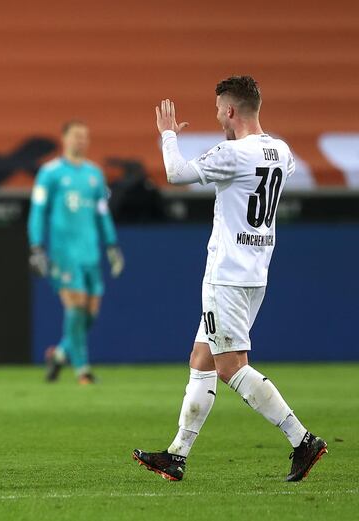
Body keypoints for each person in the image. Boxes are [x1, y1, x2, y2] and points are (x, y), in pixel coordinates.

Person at [132, 76, 327, 482]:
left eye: (219, 109)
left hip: (227, 275)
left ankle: (302, 439)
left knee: (229, 367)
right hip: (256, 271)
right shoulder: (281, 151)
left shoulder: (232, 153)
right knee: (201, 360)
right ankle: (177, 454)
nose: (217, 115)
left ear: (232, 110)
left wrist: (168, 135)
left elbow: (175, 173)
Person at [27, 120, 124, 384]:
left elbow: (102, 214)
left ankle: (59, 354)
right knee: (76, 307)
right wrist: (36, 246)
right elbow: (37, 211)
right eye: (76, 136)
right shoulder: (50, 173)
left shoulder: (94, 174)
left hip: (90, 252)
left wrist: (112, 245)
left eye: (85, 136)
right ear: (64, 139)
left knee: (90, 313)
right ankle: (83, 370)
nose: (81, 141)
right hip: (64, 252)